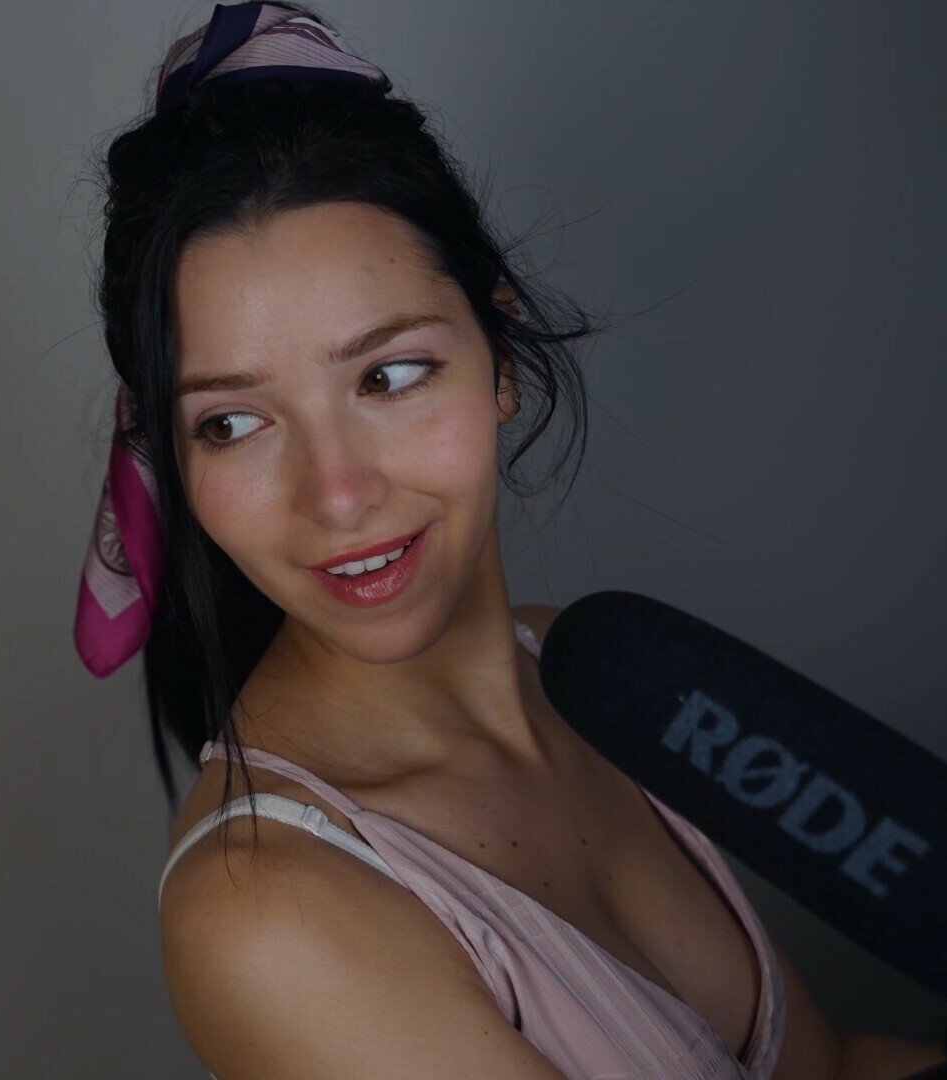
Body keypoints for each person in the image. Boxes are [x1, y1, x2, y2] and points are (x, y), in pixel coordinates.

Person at [75, 4, 947, 1077]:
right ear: (169, 455)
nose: (338, 495)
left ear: (501, 360)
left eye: (391, 375)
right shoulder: (265, 916)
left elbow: (827, 1067)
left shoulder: (604, 680)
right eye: (233, 424)